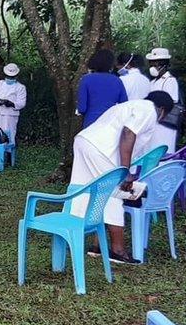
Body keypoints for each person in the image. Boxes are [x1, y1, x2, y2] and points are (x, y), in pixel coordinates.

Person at [70, 91, 176, 264]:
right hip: (100, 149)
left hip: (85, 142)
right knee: (114, 193)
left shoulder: (130, 106)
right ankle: (117, 249)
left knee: (92, 192)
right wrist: (125, 171)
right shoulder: (149, 110)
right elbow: (128, 133)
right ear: (162, 109)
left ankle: (96, 245)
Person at [77, 49, 128, 128]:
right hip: (111, 124)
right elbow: (124, 105)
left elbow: (82, 108)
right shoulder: (117, 81)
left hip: (91, 124)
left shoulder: (86, 79)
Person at [146, 47, 180, 153]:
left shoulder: (170, 81)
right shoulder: (153, 82)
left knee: (164, 147)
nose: (153, 67)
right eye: (151, 64)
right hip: (153, 122)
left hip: (164, 122)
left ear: (164, 65)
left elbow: (171, 102)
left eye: (156, 64)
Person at [0, 63, 27, 141]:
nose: (10, 78)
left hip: (10, 115)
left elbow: (22, 103)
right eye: (8, 76)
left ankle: (8, 153)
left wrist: (11, 104)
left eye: (12, 76)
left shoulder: (20, 87)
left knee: (9, 136)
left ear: (16, 76)